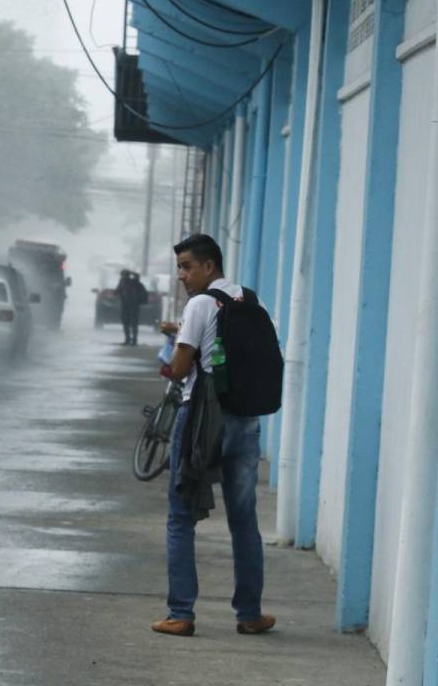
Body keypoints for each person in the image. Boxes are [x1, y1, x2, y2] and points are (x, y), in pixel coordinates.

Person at [151, 233, 275, 637]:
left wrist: (169, 359)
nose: (182, 276)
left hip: (203, 421)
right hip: (245, 421)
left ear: (209, 266)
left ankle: (181, 613)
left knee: (180, 517)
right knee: (244, 520)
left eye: (187, 267)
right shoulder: (250, 300)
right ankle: (250, 613)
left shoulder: (201, 304)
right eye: (180, 268)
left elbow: (182, 367)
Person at [116, 270, 148, 345]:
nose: (123, 277)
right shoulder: (123, 283)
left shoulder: (134, 282)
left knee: (132, 323)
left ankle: (133, 340)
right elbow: (117, 291)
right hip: (127, 306)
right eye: (123, 275)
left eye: (124, 275)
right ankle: (129, 339)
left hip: (133, 306)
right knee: (127, 323)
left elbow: (117, 291)